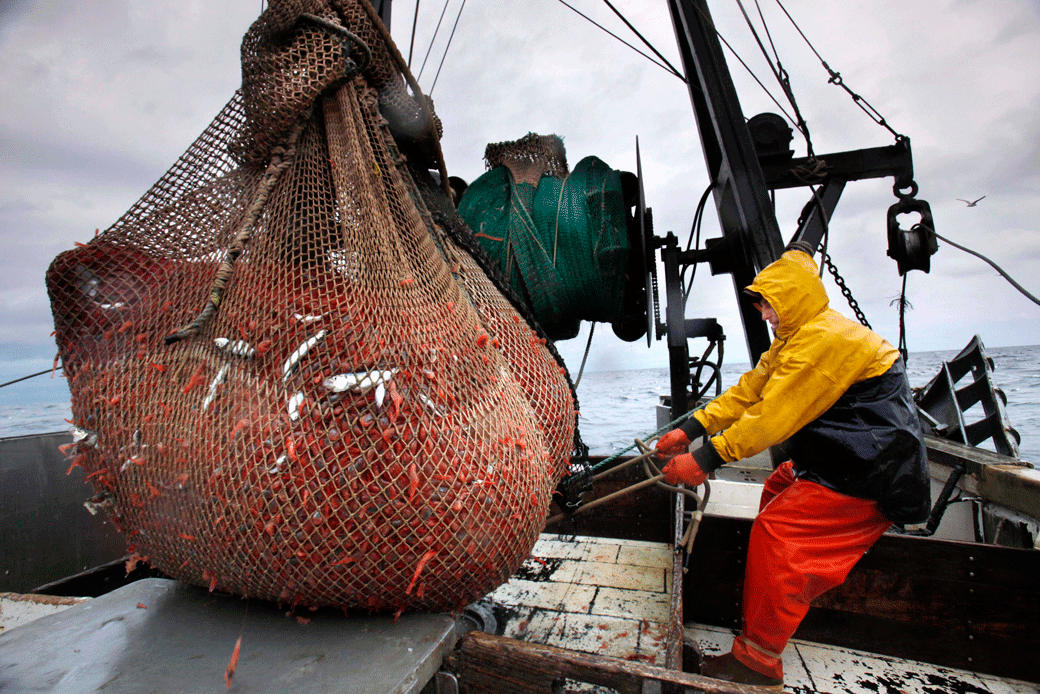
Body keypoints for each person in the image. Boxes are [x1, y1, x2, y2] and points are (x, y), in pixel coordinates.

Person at [655, 244, 931, 690]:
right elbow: (751, 391)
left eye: (768, 305)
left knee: (777, 533)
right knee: (779, 484)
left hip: (872, 475)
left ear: (793, 300)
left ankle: (757, 664)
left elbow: (772, 417)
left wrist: (705, 459)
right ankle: (771, 606)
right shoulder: (796, 337)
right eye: (762, 305)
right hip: (842, 459)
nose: (764, 314)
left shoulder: (823, 342)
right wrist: (692, 427)